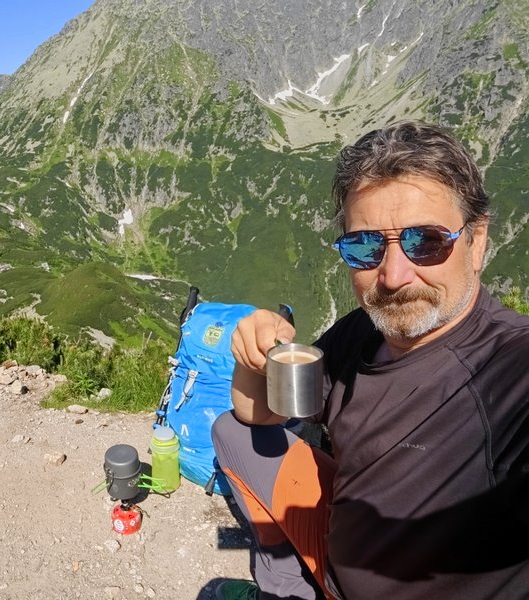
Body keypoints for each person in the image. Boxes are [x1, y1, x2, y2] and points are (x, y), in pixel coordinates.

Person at [211, 120, 529, 600]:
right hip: (337, 550)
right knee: (230, 430)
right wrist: (253, 360)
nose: (394, 275)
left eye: (426, 241)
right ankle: (285, 586)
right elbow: (259, 414)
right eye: (365, 246)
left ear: (477, 240)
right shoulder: (362, 330)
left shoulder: (508, 372)